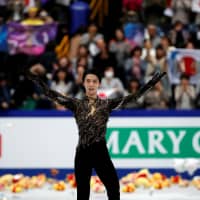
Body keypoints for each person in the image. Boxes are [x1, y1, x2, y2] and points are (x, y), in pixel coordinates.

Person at [27, 66, 165, 200]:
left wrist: (150, 84)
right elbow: (53, 95)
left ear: (99, 83)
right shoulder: (76, 104)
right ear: (83, 83)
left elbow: (133, 97)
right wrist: (38, 81)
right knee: (82, 193)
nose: (91, 84)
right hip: (82, 152)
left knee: (113, 188)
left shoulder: (106, 104)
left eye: (94, 81)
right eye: (88, 81)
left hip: (100, 151)